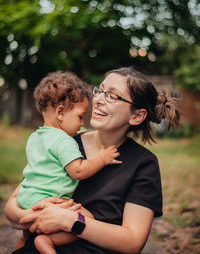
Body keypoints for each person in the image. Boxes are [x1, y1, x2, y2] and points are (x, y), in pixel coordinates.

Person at [4, 66, 180, 254]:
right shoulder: (64, 143)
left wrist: (70, 221)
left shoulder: (143, 163)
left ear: (137, 116)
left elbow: (133, 242)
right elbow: (12, 205)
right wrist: (35, 216)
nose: (99, 100)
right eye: (100, 90)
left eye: (112, 96)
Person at [14, 71, 121, 254]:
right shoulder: (64, 141)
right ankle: (47, 241)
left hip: (27, 198)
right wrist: (102, 159)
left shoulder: (36, 136)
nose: (81, 123)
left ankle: (25, 239)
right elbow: (78, 171)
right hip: (50, 200)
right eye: (80, 117)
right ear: (61, 113)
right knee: (87, 219)